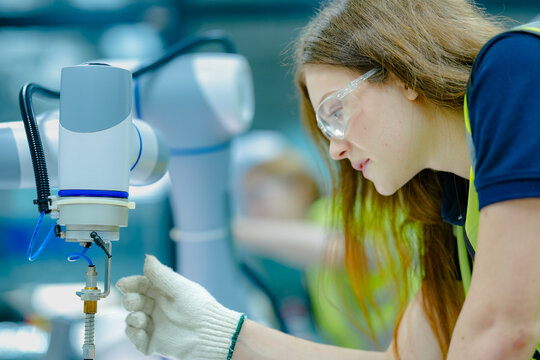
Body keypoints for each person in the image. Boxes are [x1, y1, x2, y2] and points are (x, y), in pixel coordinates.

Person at [115, 0, 540, 359]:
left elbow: (505, 330)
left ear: (403, 73)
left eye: (336, 112)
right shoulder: (454, 205)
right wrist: (223, 335)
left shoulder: (516, 67)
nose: (335, 148)